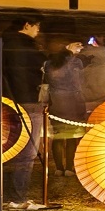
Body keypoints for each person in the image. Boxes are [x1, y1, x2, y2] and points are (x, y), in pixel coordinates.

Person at [2, 17, 47, 209]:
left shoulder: (4, 45)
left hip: (9, 102)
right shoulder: (27, 47)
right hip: (28, 101)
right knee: (28, 152)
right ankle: (18, 197)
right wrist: (66, 53)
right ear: (27, 25)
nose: (38, 30)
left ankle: (4, 195)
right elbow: (46, 66)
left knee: (9, 148)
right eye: (37, 26)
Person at [44, 40, 86, 176]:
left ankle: (59, 168)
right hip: (73, 102)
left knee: (58, 137)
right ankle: (68, 168)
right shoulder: (75, 62)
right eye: (76, 46)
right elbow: (78, 81)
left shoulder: (49, 63)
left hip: (56, 103)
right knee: (71, 137)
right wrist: (70, 54)